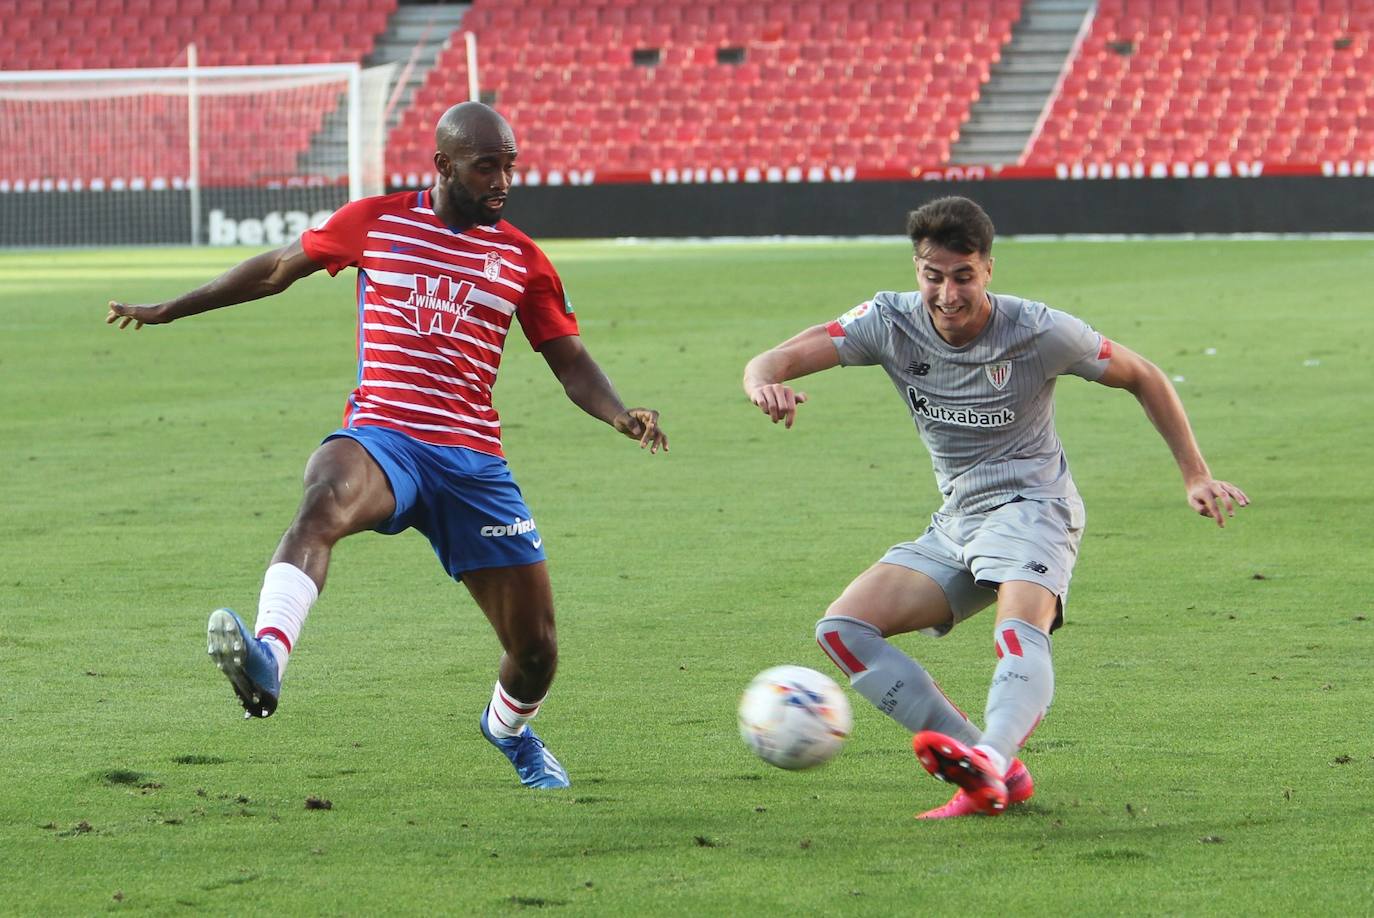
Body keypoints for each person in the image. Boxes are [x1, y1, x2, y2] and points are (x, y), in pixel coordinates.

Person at [106, 101, 667, 790]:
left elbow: (569, 359)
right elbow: (277, 269)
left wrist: (619, 414)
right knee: (323, 502)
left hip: (471, 463)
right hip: (385, 437)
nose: (503, 181)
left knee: (537, 650)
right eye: (486, 166)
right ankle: (268, 659)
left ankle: (507, 731)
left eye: (510, 166)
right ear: (442, 165)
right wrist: (170, 308)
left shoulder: (522, 259)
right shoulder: (374, 221)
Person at [742, 196, 1247, 818]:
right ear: (917, 269)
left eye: (963, 276)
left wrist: (1195, 474)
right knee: (843, 631)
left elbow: (1143, 374)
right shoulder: (888, 320)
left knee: (1018, 629)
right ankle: (986, 762)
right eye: (933, 276)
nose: (947, 295)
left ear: (988, 270)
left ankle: (991, 759)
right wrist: (761, 382)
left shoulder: (1039, 330)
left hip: (1035, 507)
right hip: (958, 520)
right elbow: (778, 357)